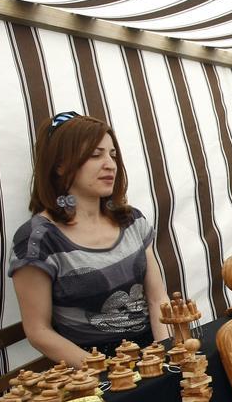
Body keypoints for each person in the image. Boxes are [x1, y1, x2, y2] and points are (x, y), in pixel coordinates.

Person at [10, 112, 170, 366]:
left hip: (152, 351)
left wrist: (164, 354)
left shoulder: (131, 220)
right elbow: (38, 331)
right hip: (90, 365)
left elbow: (157, 298)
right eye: (95, 155)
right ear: (60, 165)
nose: (110, 164)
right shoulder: (38, 239)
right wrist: (111, 370)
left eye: (112, 155)